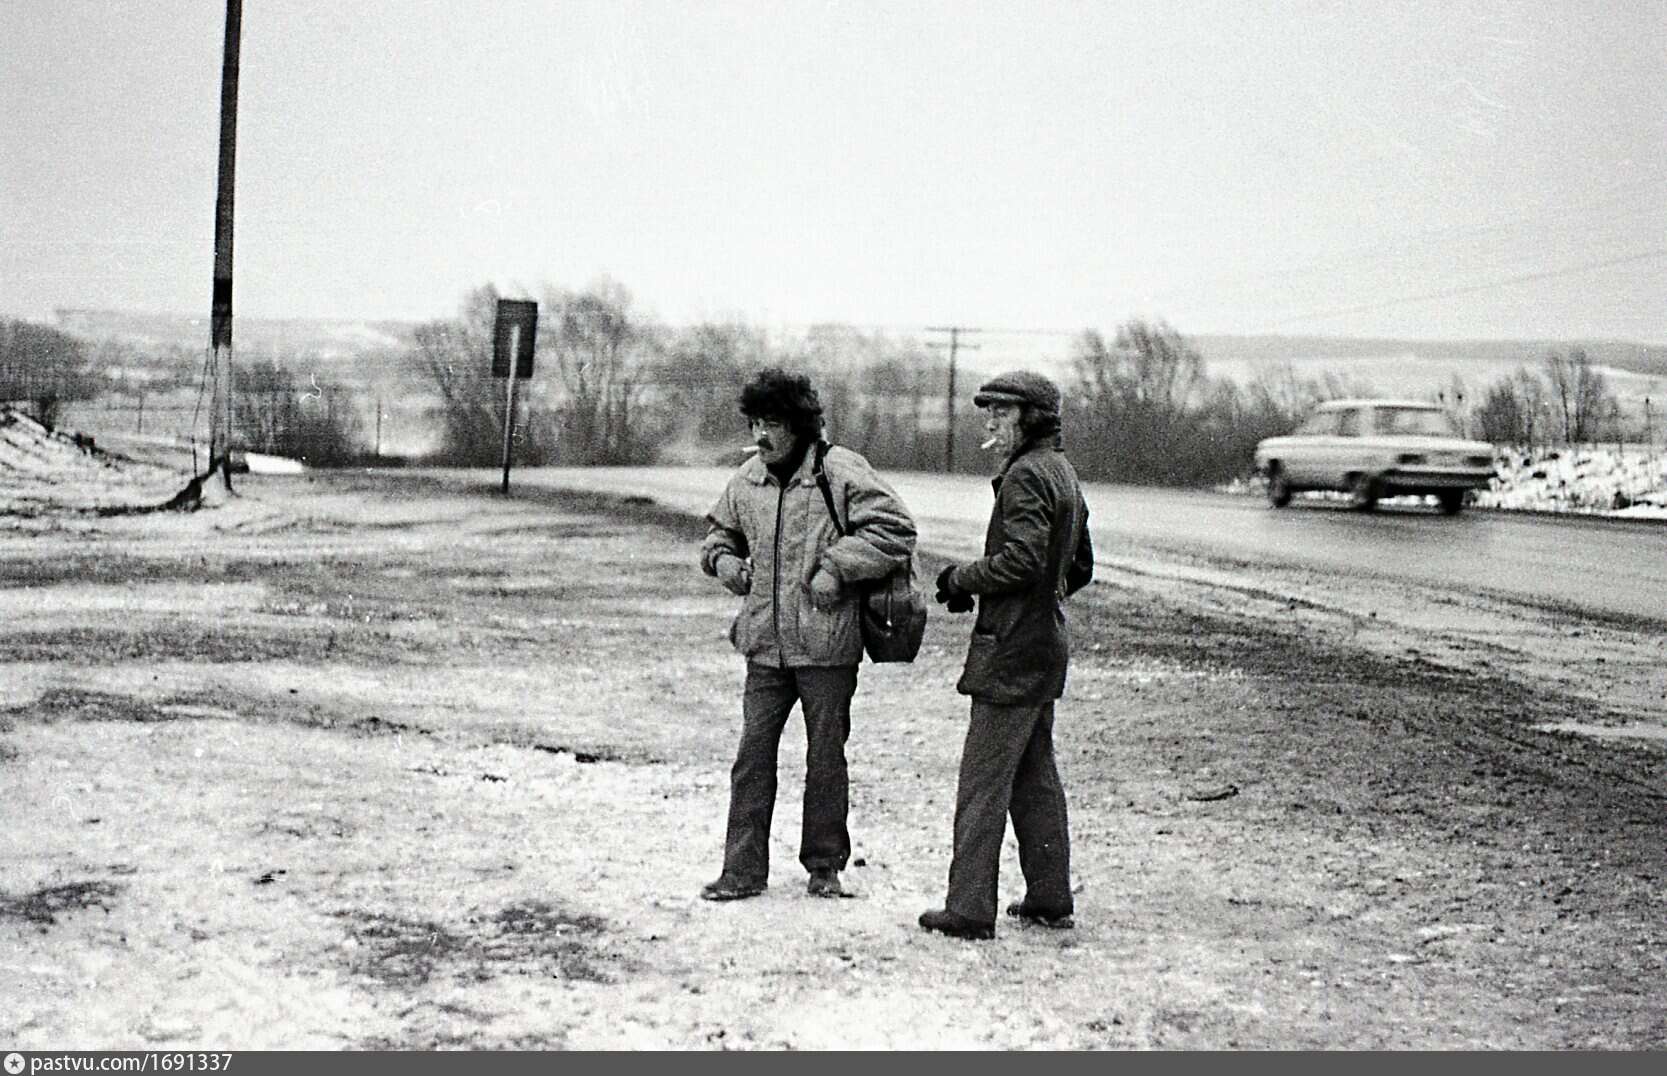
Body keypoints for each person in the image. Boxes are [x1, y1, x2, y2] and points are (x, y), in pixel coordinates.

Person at [698, 368, 918, 902]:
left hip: (826, 647)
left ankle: (824, 867)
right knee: (751, 759)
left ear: (800, 426)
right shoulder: (747, 477)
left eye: (771, 423)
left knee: (825, 759)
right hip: (764, 649)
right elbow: (718, 533)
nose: (760, 436)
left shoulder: (840, 471)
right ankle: (742, 871)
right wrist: (722, 560)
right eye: (754, 423)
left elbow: (896, 530)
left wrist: (838, 567)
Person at [919, 371, 1094, 940]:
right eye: (987, 410)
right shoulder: (1061, 472)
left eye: (1002, 411)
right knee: (1034, 778)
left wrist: (960, 578)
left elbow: (1021, 560)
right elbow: (1080, 566)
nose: (990, 421)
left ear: (1032, 418)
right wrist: (1044, 599)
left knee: (984, 782)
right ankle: (1049, 896)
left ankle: (969, 908)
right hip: (1045, 645)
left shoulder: (1024, 475)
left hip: (1012, 649)